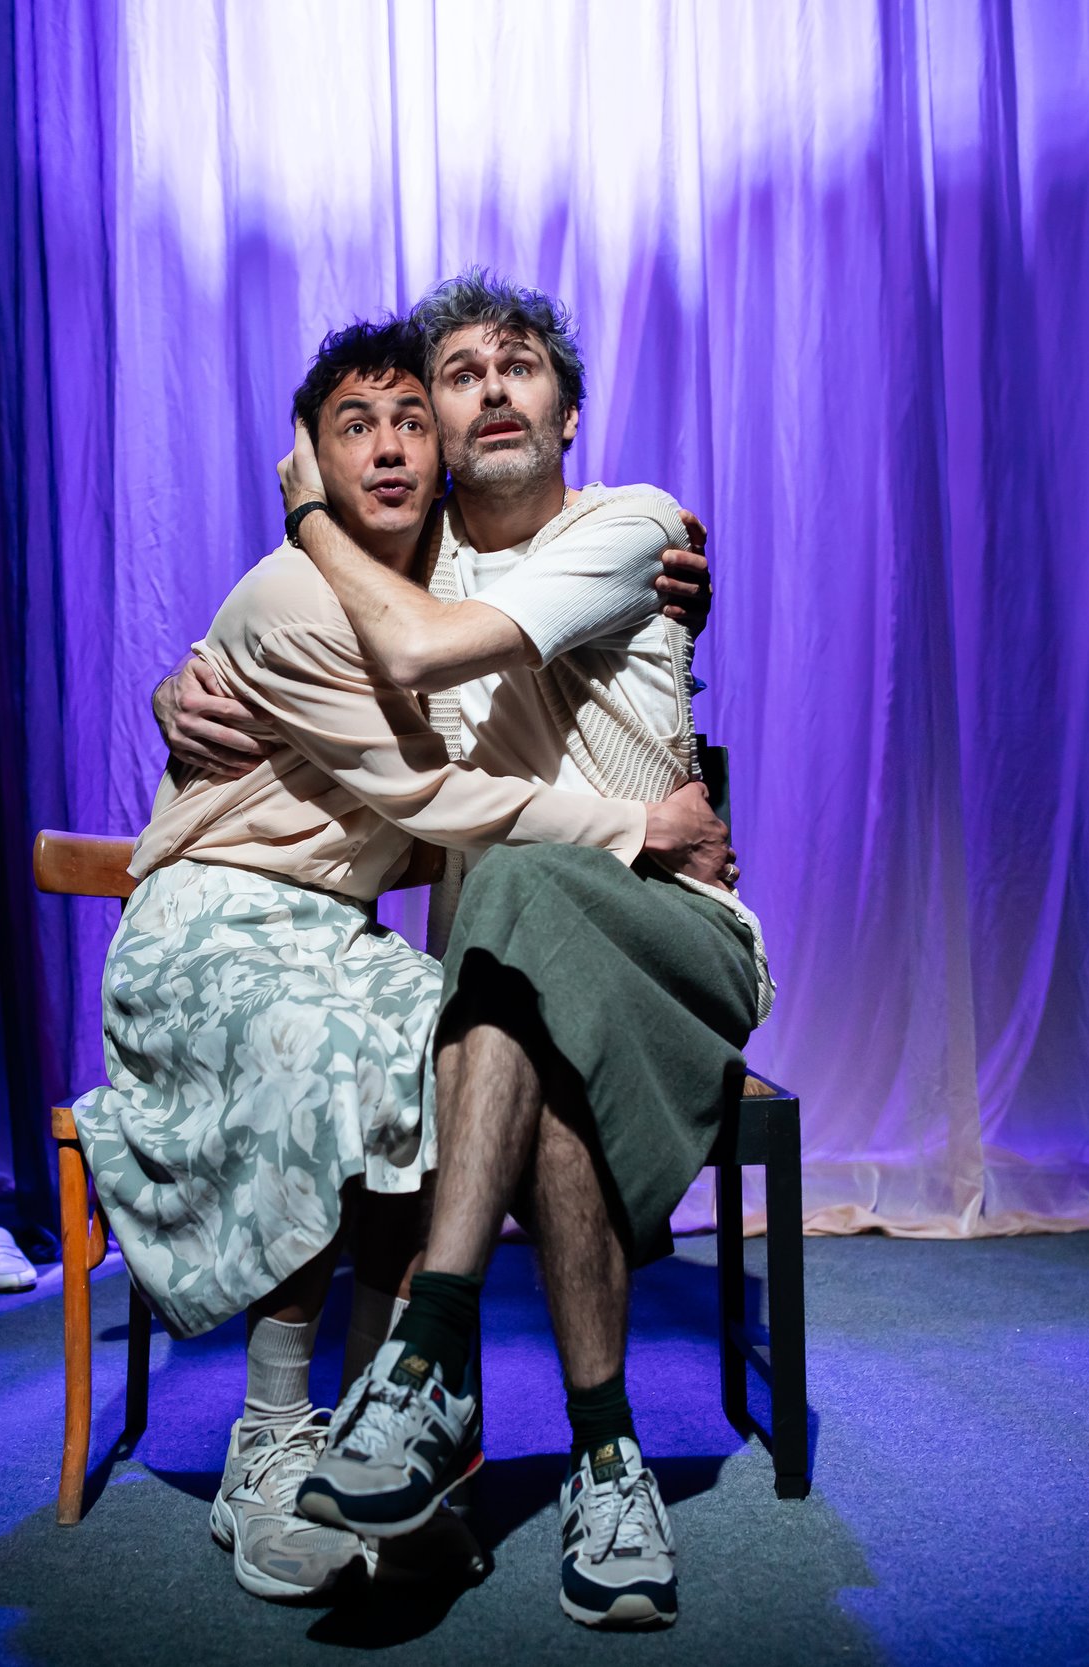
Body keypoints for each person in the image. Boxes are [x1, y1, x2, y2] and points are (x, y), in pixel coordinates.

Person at [77, 317, 732, 1604]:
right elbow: (427, 791)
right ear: (313, 459)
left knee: (440, 1046)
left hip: (369, 922)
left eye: (405, 423)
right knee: (358, 1051)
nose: (389, 446)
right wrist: (633, 823)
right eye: (355, 427)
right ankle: (282, 1433)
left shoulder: (509, 565)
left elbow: (437, 663)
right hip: (228, 918)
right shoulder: (314, 591)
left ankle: (387, 1412)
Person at [284, 271, 773, 1632]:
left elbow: (424, 651)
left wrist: (307, 510)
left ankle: (426, 1351)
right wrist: (181, 679)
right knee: (529, 989)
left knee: (514, 885)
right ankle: (609, 1458)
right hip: (510, 986)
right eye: (460, 373)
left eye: (521, 366)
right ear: (433, 426)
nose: (493, 387)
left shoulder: (632, 525)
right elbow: (262, 640)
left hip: (679, 935)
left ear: (567, 413)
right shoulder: (403, 560)